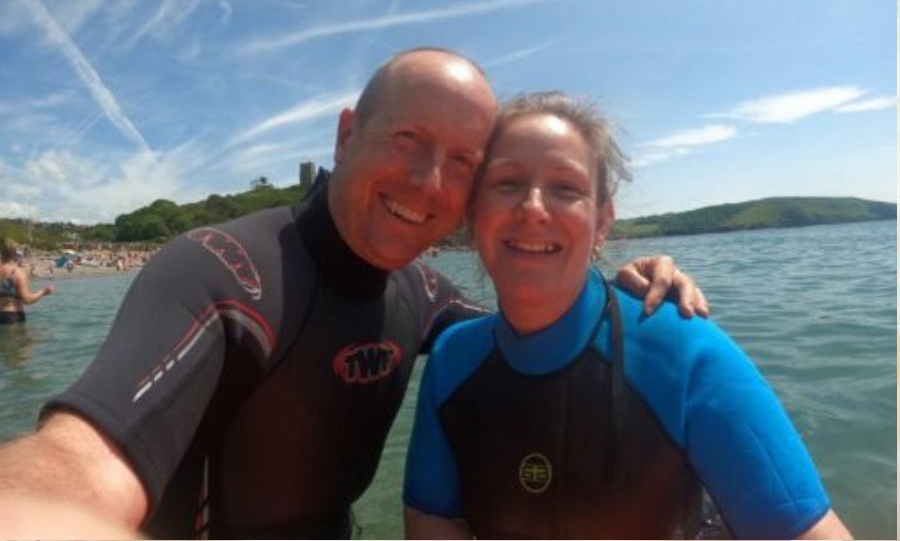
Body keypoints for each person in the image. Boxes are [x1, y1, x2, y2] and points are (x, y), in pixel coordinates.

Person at [0, 49, 706, 539]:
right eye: (408, 139)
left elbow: (537, 340)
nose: (429, 182)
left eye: (461, 160)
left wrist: (618, 289)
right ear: (346, 134)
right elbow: (76, 466)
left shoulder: (424, 293)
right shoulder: (222, 272)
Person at [403, 92, 852, 539]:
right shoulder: (452, 359)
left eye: (566, 188)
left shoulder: (681, 348)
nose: (533, 209)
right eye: (507, 183)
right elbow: (433, 516)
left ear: (603, 221)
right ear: (473, 212)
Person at [0, 238, 53, 324]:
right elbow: (27, 300)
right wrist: (43, 291)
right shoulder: (18, 272)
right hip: (13, 316)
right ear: (15, 254)